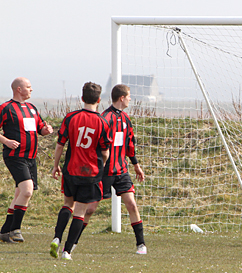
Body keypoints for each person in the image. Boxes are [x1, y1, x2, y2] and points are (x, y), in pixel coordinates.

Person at [51, 84, 147, 256]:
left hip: (121, 170)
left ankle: (141, 244)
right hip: (101, 172)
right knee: (88, 210)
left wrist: (136, 165)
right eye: (129, 96)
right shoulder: (104, 118)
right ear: (122, 98)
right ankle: (72, 244)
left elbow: (129, 144)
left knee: (132, 205)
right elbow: (100, 148)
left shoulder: (126, 119)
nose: (131, 99)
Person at [50, 82, 110, 260]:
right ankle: (67, 251)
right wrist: (102, 165)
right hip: (89, 173)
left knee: (68, 204)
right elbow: (105, 152)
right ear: (99, 100)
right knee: (80, 212)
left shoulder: (71, 118)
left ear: (82, 98)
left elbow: (60, 145)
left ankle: (56, 238)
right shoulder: (102, 123)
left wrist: (55, 165)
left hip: (71, 170)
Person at [0, 77, 53, 243]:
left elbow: (39, 129)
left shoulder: (31, 108)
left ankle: (4, 231)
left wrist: (46, 130)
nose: (31, 90)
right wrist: (6, 141)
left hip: (31, 157)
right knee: (27, 190)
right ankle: (16, 229)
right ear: (18, 89)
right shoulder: (6, 108)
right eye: (28, 87)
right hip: (15, 157)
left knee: (19, 194)